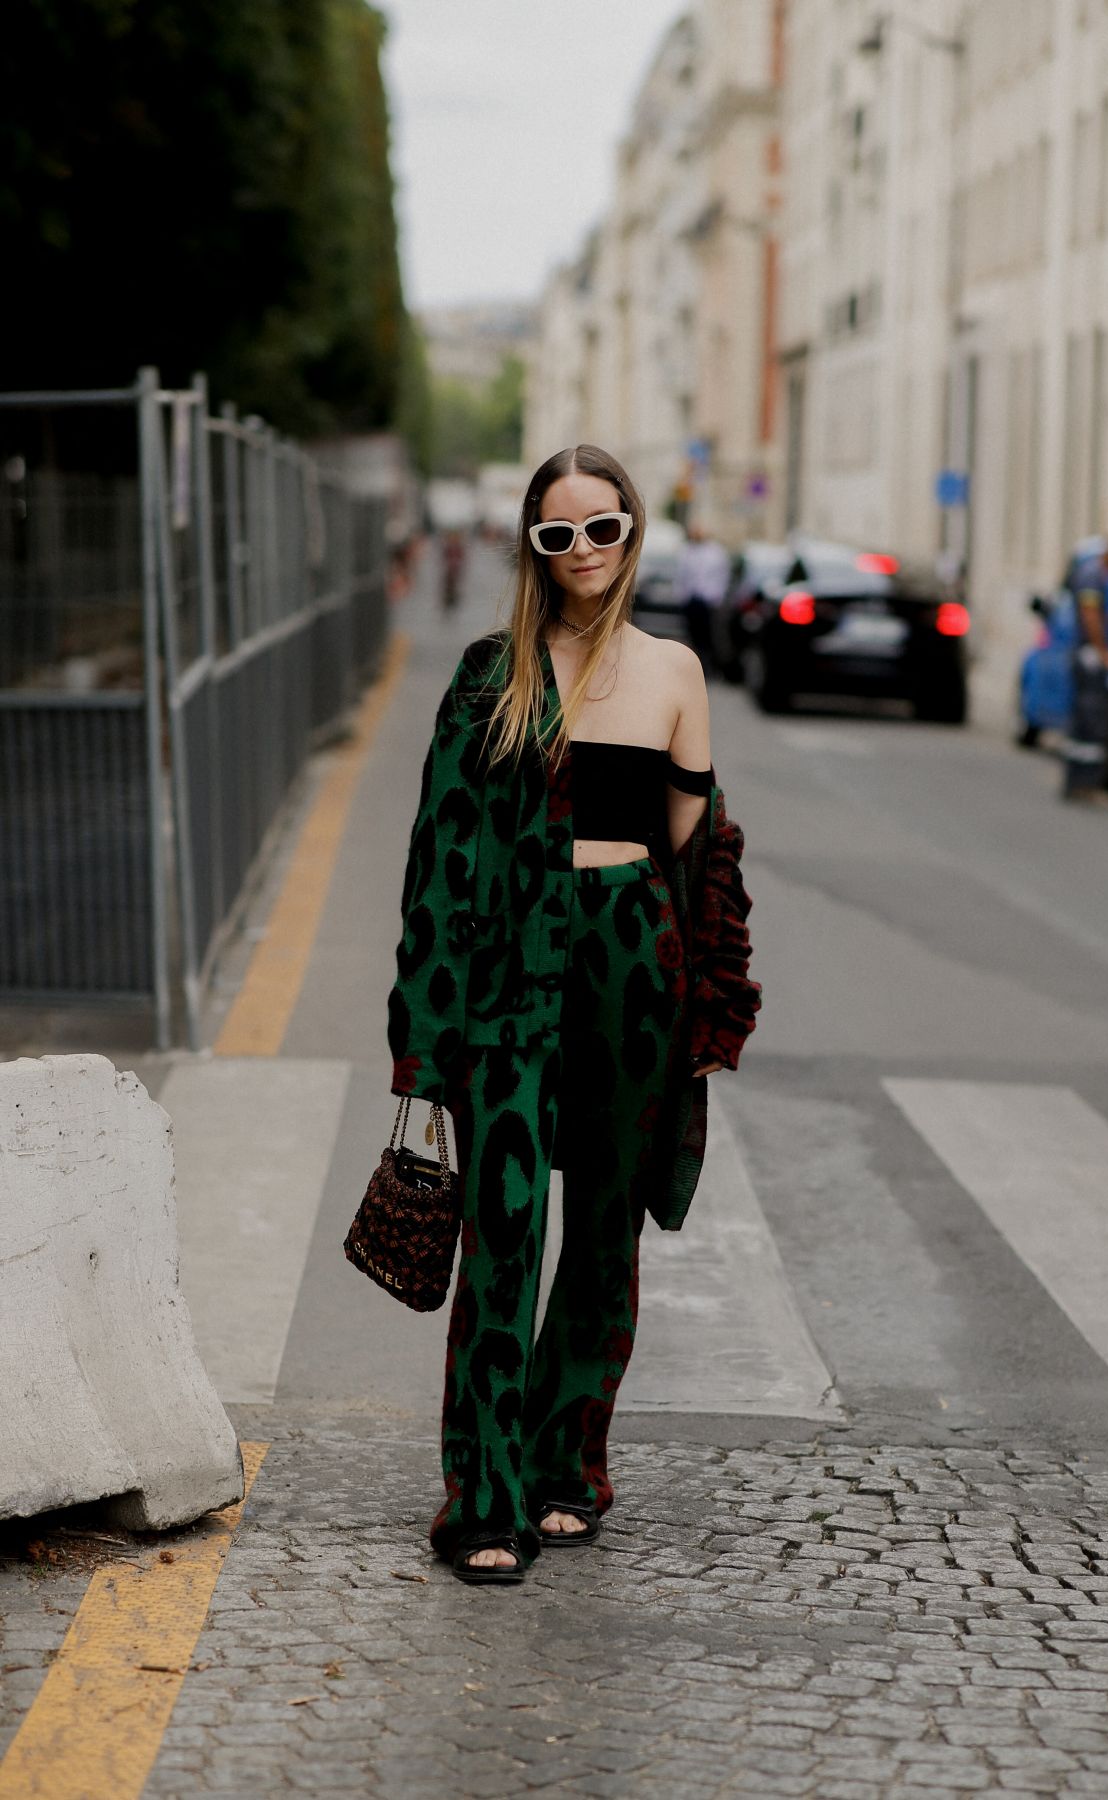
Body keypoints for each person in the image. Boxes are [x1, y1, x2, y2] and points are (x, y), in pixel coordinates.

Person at [386, 444, 762, 1584]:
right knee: (502, 1232)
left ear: (634, 532)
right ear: (533, 547)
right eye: (560, 534)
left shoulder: (676, 673)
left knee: (602, 1236)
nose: (585, 551)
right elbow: (440, 864)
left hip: (631, 968)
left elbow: (703, 859)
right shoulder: (488, 673)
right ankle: (481, 1499)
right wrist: (425, 1032)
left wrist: (708, 1008)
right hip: (510, 971)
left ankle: (568, 1466)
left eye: (605, 528)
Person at [1061, 534, 1108, 798]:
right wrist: (1103, 652)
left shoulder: (1099, 574)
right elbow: (1090, 616)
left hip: (1090, 652)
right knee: (1090, 718)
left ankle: (1082, 783)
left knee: (1089, 719)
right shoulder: (1093, 575)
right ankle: (1081, 783)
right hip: (1090, 654)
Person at [674, 521, 730, 671]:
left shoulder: (716, 552)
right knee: (692, 633)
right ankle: (695, 661)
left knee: (707, 634)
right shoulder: (687, 551)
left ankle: (707, 664)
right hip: (691, 599)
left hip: (708, 599)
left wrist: (717, 597)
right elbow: (681, 575)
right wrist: (682, 595)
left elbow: (722, 576)